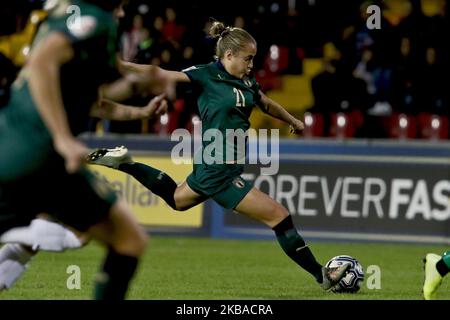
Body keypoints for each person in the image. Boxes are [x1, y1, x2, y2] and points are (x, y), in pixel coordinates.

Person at [88, 21, 350, 291]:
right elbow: (158, 72)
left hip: (221, 166)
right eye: (247, 59)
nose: (251, 64)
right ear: (228, 56)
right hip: (218, 168)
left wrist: (292, 119)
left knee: (177, 200)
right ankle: (323, 277)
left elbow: (266, 103)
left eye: (253, 59)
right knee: (279, 217)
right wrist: (118, 65)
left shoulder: (247, 81)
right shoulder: (205, 75)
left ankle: (125, 163)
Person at [0, 0, 165, 299]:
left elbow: (99, 101)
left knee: (115, 237)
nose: (122, 12)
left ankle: (28, 234)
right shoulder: (93, 19)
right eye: (121, 5)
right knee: (122, 239)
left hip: (17, 146)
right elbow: (41, 63)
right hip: (38, 152)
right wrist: (63, 138)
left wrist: (140, 107)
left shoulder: (65, 21)